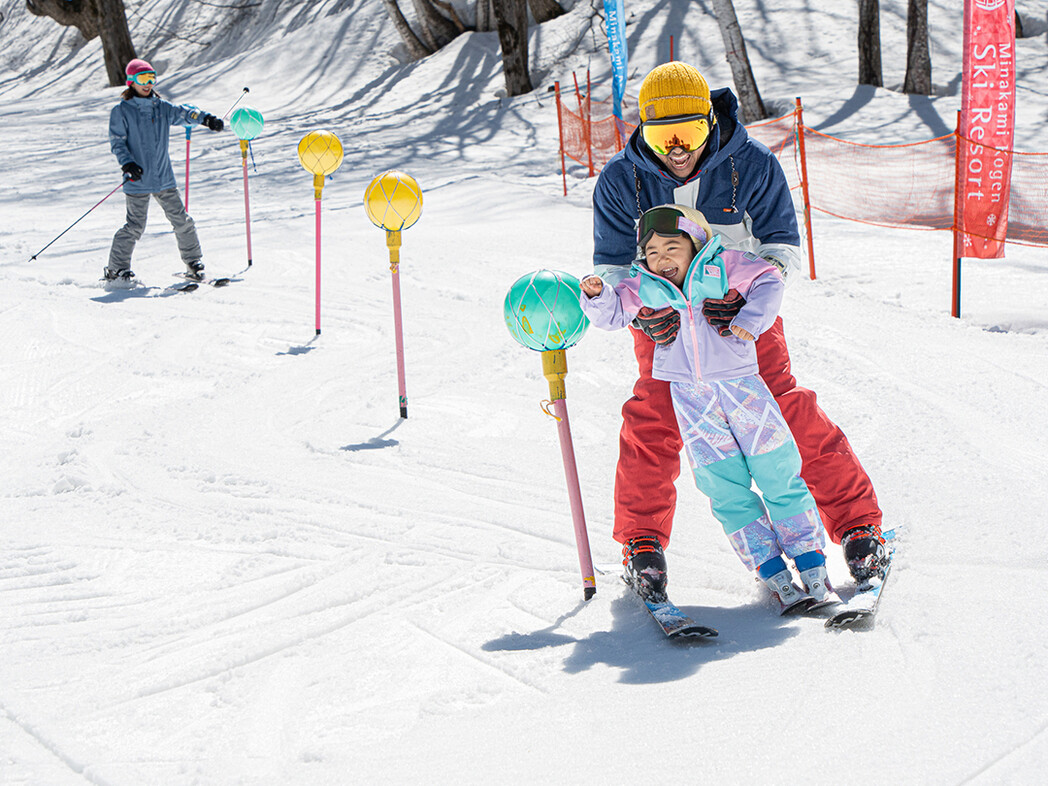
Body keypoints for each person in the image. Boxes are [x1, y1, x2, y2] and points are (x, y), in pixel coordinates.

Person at [591, 61, 886, 598]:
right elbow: (613, 269)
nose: (677, 148)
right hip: (665, 325)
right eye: (662, 134)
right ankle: (642, 545)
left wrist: (745, 302)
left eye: (690, 131)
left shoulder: (750, 165)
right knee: (652, 419)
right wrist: (639, 312)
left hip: (740, 322)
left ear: (710, 118)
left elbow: (782, 250)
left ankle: (857, 525)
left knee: (786, 411)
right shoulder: (621, 180)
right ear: (643, 130)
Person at [581, 205, 832, 609]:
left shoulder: (724, 264)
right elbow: (612, 315)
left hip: (743, 391)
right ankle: (773, 573)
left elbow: (770, 279)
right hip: (693, 402)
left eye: (671, 248)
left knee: (778, 472)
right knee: (724, 488)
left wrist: (751, 319)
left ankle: (812, 564)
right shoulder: (643, 285)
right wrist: (596, 295)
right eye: (652, 252)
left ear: (695, 242)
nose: (661, 260)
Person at [104, 58, 224, 287]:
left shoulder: (162, 108)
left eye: (151, 78)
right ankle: (116, 269)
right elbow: (117, 142)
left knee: (182, 220)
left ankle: (193, 263)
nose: (148, 83)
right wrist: (127, 164)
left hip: (163, 177)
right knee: (134, 226)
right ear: (131, 82)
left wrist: (206, 119)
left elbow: (185, 113)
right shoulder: (121, 111)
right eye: (142, 78)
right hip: (137, 179)